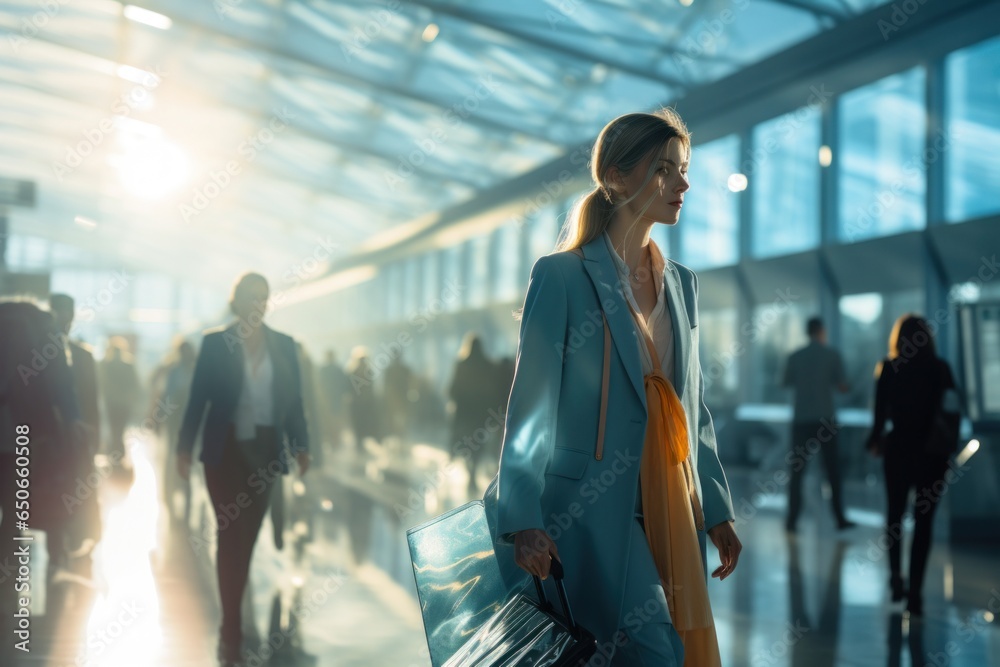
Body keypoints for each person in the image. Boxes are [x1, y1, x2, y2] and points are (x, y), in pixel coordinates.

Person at [486, 109, 741, 665]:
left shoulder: (682, 286)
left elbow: (692, 408)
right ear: (619, 177)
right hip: (590, 504)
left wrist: (716, 508)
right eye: (665, 169)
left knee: (638, 650)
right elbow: (531, 406)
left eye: (684, 169)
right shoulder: (563, 277)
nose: (683, 183)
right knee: (653, 650)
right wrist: (523, 518)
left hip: (670, 499)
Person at [176, 272, 310, 666]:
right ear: (236, 301)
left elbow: (295, 402)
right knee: (227, 531)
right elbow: (197, 399)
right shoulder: (216, 344)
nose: (258, 303)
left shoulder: (284, 346)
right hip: (225, 451)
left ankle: (232, 613)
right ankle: (230, 624)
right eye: (251, 296)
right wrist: (183, 449)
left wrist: (302, 446)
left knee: (247, 536)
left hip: (266, 453)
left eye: (264, 297)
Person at [866, 314, 957, 617]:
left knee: (894, 516)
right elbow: (952, 411)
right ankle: (915, 592)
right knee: (924, 521)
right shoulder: (940, 368)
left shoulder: (890, 368)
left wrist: (875, 438)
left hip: (899, 449)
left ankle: (895, 578)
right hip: (932, 453)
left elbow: (879, 412)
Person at [782, 317, 854, 532]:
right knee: (832, 471)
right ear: (821, 331)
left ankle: (792, 520)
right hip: (825, 420)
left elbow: (785, 382)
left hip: (802, 419)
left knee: (797, 472)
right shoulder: (832, 355)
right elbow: (842, 386)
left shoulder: (795, 356)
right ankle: (839, 518)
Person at [49, 293, 103, 551]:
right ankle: (59, 540)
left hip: (74, 437)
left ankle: (67, 537)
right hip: (53, 437)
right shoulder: (49, 354)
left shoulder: (82, 356)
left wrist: (95, 436)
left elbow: (92, 401)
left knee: (72, 488)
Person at [99, 335, 139, 465]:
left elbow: (103, 384)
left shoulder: (106, 364)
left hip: (113, 402)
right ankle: (118, 453)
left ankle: (115, 453)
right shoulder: (128, 365)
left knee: (115, 429)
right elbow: (135, 385)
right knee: (119, 429)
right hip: (123, 403)